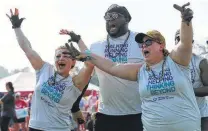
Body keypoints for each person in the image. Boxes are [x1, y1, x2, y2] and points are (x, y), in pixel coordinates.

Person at [66, 2, 201, 131]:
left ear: (161, 45)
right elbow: (113, 67)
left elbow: (185, 42)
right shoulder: (140, 70)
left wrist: (185, 21)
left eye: (148, 42)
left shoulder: (177, 62)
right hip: (124, 120)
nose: (143, 46)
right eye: (142, 44)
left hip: (176, 125)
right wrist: (84, 51)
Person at [59, 4, 144, 131]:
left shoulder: (141, 42)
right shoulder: (96, 47)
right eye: (107, 17)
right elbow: (87, 75)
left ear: (127, 19)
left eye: (114, 16)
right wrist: (75, 105)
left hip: (137, 114)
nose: (110, 20)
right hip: (106, 115)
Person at [6, 8, 93, 131]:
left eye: (65, 55)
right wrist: (16, 27)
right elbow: (27, 48)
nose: (60, 58)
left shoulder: (76, 82)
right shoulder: (44, 69)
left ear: (73, 61)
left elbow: (91, 63)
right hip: (35, 127)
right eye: (58, 56)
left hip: (59, 129)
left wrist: (79, 41)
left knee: (76, 113)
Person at [175, 29, 208, 131]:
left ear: (192, 42)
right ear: (174, 41)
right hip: (176, 116)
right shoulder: (168, 62)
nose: (182, 42)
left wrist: (188, 91)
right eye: (178, 38)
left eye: (186, 39)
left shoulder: (201, 62)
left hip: (200, 114)